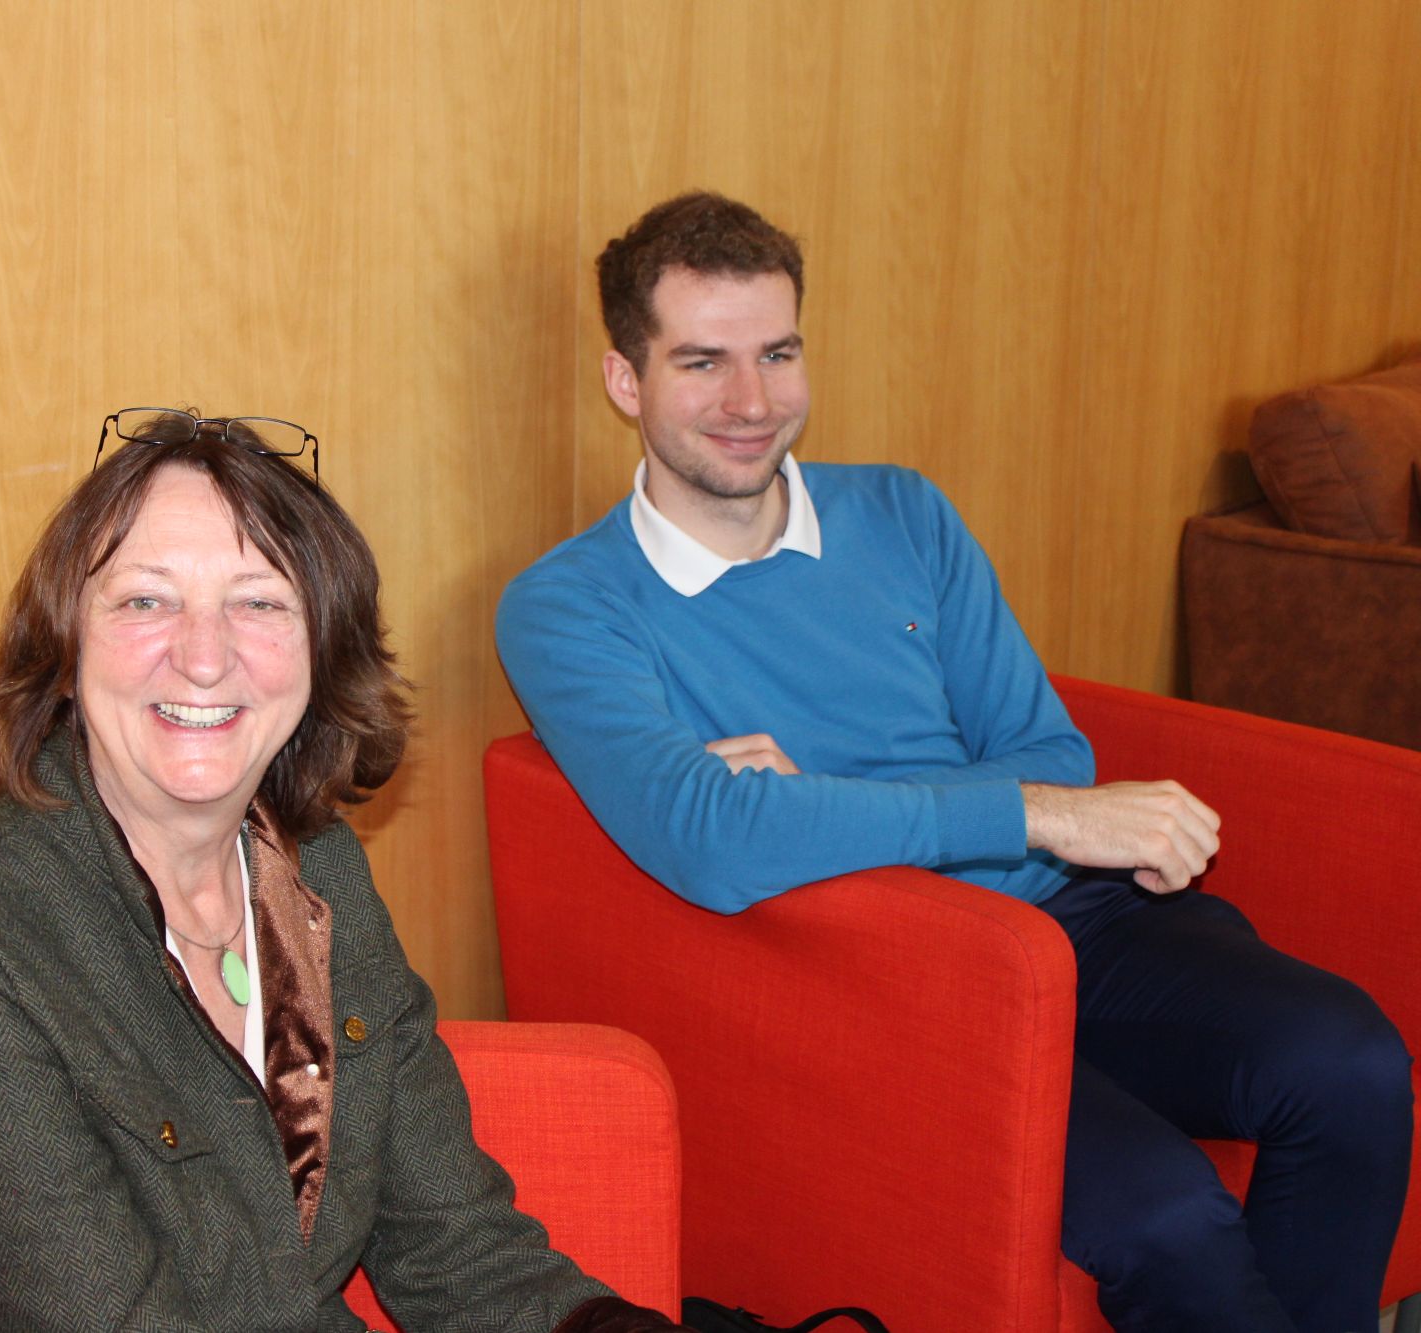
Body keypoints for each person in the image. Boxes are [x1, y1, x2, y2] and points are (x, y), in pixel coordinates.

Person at [495, 193, 1413, 1333]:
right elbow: (711, 837)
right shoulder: (567, 605)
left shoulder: (901, 511)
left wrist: (831, 805)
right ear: (625, 381)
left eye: (777, 353)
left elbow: (1050, 753)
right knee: (1164, 1214)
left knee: (1353, 1059)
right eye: (701, 362)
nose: (751, 402)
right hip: (902, 976)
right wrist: (1029, 812)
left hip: (1076, 921)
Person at [0, 410, 683, 1330]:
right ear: (64, 651)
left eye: (259, 602)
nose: (204, 656)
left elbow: (456, 1247)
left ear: (321, 652)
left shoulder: (323, 873)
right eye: (145, 601)